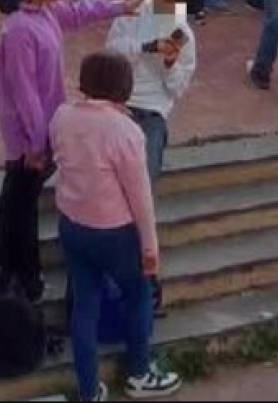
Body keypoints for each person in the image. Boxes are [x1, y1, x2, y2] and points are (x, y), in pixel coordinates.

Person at [0, 0, 144, 303]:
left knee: (18, 199)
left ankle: (10, 266)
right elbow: (24, 91)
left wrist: (122, 6)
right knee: (20, 202)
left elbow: (81, 11)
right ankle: (22, 274)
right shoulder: (19, 29)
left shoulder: (47, 12)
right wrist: (35, 142)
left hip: (43, 126)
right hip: (28, 133)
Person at [51, 50, 182, 402]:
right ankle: (139, 373)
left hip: (73, 225)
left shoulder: (63, 116)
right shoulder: (125, 130)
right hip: (116, 233)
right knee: (139, 295)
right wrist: (151, 248)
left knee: (84, 307)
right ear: (124, 86)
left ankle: (89, 389)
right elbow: (140, 197)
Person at [106, 0, 198, 181]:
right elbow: (111, 52)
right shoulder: (133, 13)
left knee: (144, 175)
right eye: (169, 2)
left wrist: (170, 64)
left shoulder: (182, 32)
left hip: (152, 110)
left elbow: (177, 89)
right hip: (118, 102)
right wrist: (146, 47)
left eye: (179, 7)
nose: (173, 11)